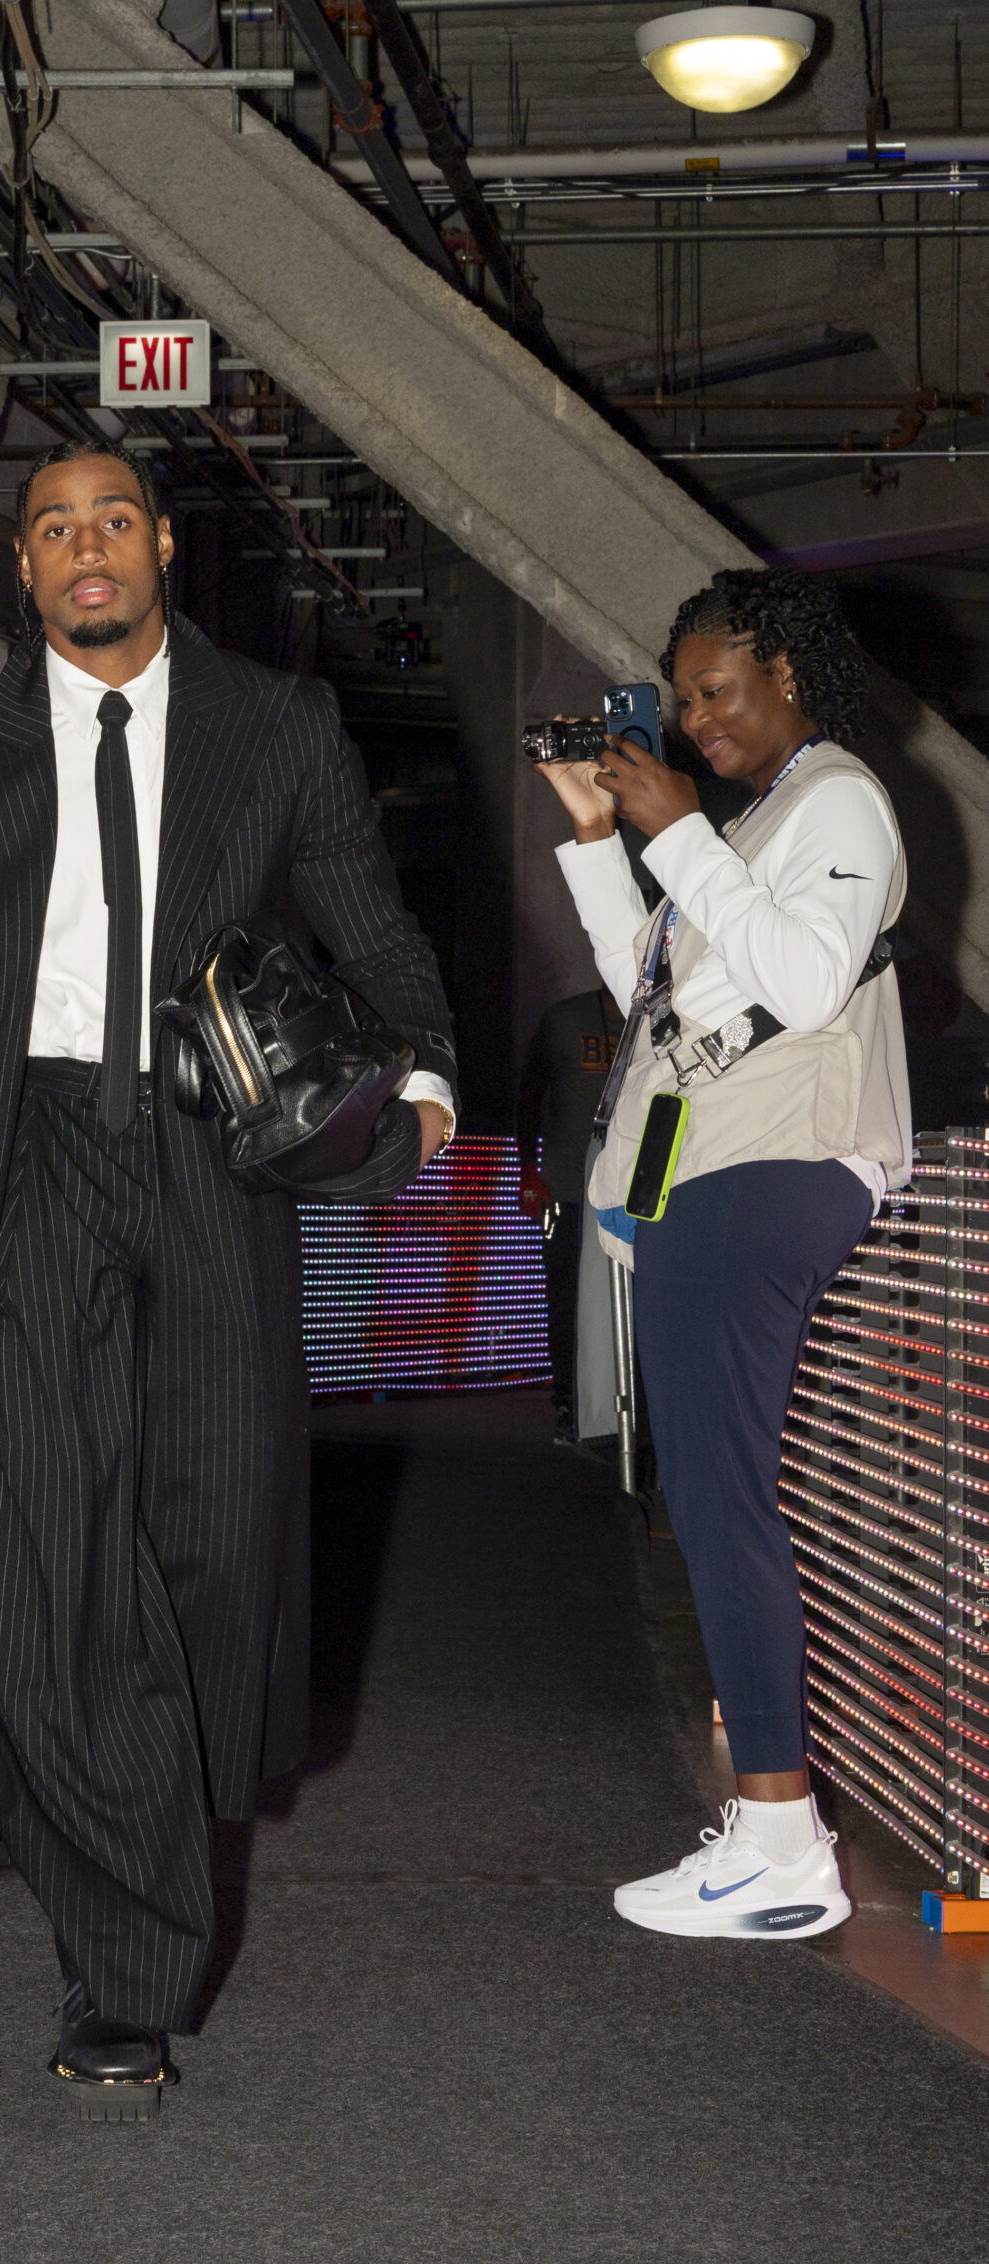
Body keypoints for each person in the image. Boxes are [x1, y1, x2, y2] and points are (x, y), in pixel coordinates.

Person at [0, 444, 456, 2114]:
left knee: (209, 1543)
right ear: (23, 569)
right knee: (53, 1558)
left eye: (110, 522)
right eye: (51, 530)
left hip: (210, 1157)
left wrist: (429, 1089)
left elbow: (372, 929)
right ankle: (123, 1969)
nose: (83, 549)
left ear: (160, 545)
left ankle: (137, 1813)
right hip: (21, 1172)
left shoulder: (274, 725)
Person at [536, 567, 908, 1942]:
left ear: (787, 675)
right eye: (683, 699)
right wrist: (599, 840)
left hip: (769, 1166)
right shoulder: (754, 822)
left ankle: (779, 1840)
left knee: (722, 1499)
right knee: (713, 1494)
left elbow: (806, 985)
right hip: (710, 1164)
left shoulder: (839, 800)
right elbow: (659, 992)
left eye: (715, 690)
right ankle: (771, 1832)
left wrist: (682, 829)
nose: (695, 720)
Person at [515, 983, 622, 1438]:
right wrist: (528, 1170)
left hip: (630, 1189)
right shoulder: (564, 1019)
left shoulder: (657, 1018)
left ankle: (621, 1408)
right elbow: (529, 1095)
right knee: (567, 1298)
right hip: (567, 1186)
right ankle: (568, 1402)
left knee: (628, 1304)